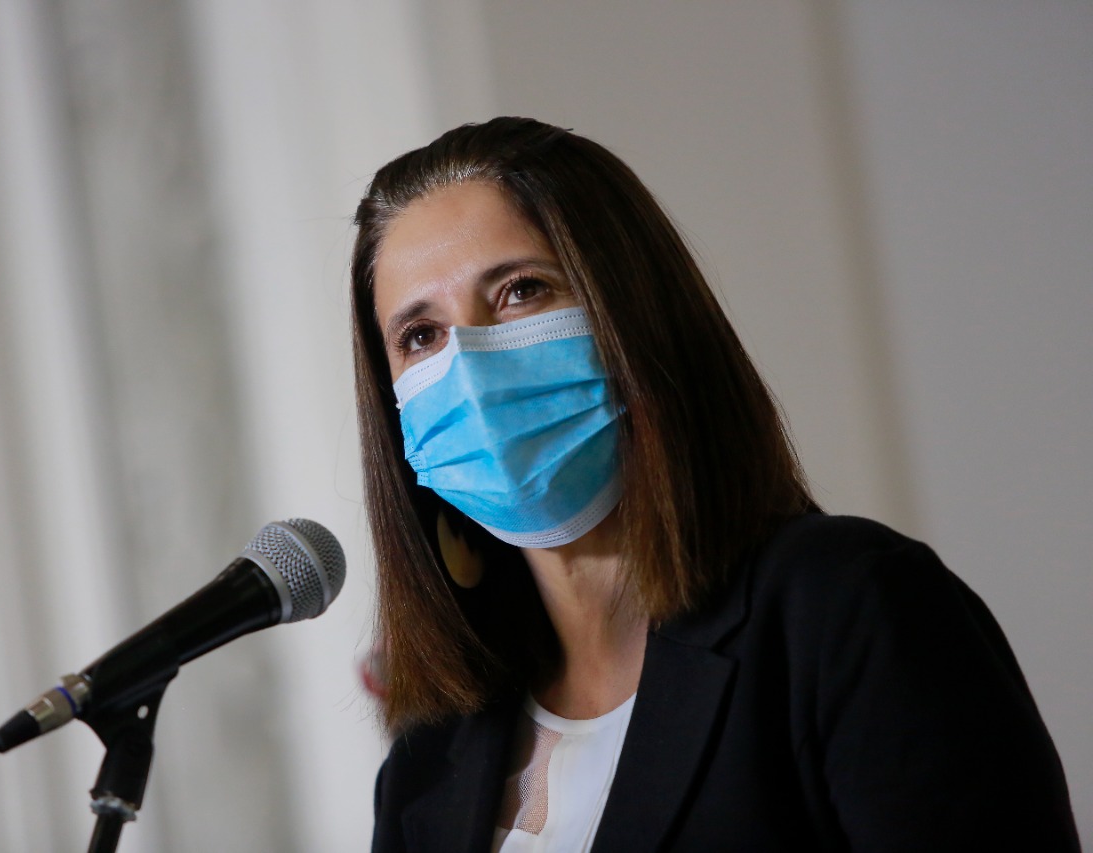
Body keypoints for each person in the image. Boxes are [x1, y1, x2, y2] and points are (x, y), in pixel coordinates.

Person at [349, 117, 1079, 852]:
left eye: (521, 290)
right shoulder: (428, 755)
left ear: (633, 311)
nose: (470, 367)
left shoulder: (849, 608)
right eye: (421, 335)